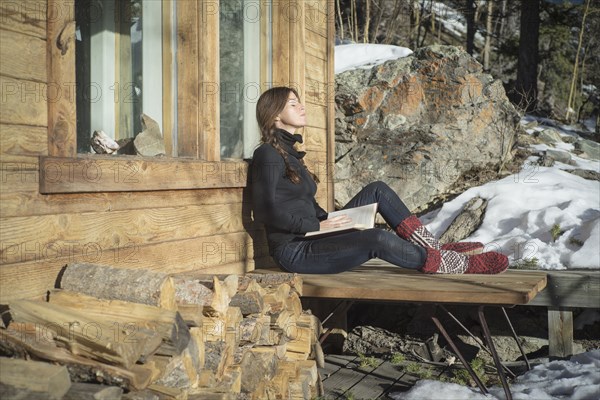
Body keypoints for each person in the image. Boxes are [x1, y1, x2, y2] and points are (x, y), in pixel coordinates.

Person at [251, 87, 508, 275]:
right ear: (275, 115)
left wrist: (326, 220)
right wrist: (316, 227)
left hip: (313, 234)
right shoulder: (267, 155)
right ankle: (450, 263)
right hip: (295, 252)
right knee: (377, 238)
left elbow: (301, 203)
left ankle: (431, 246)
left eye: (299, 102)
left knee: (378, 190)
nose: (302, 107)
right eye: (293, 104)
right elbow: (266, 212)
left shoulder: (290, 154)